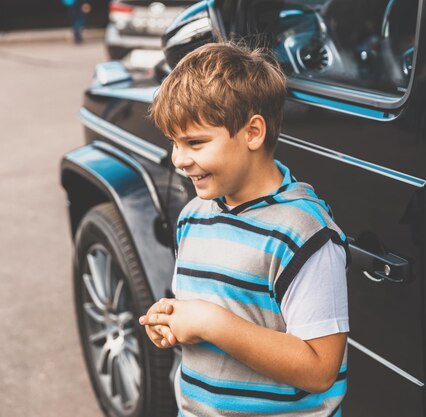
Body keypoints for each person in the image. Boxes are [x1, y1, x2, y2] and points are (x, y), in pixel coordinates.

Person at [138, 42, 349, 416]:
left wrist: (212, 323)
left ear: (253, 132)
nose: (179, 159)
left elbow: (319, 369)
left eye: (195, 142)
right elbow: (203, 308)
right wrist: (170, 320)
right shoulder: (193, 216)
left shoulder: (303, 234)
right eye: (173, 142)